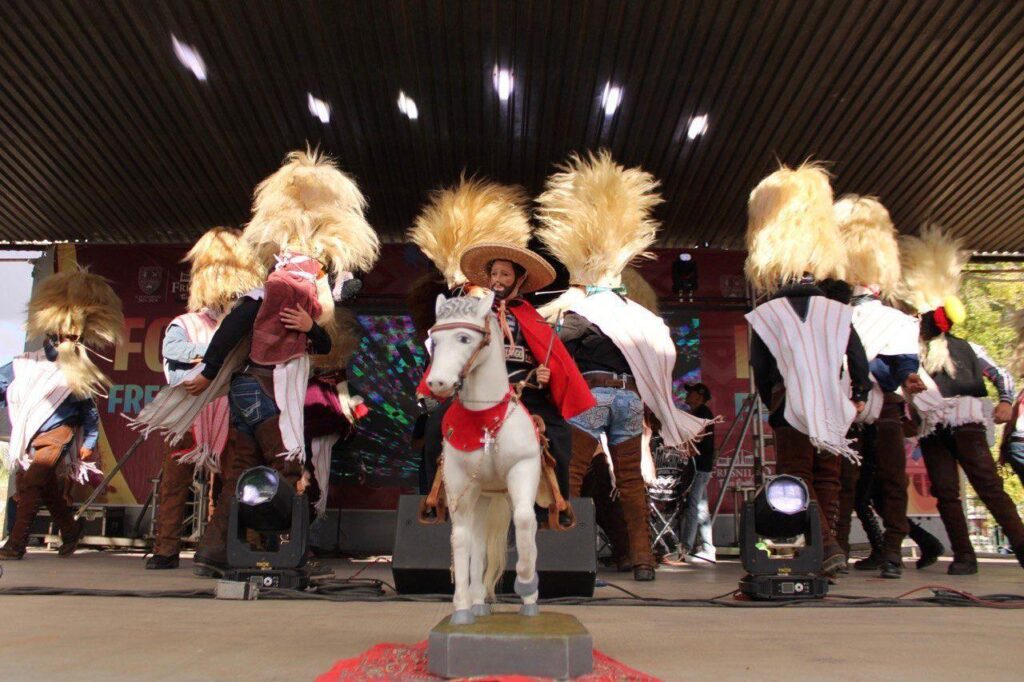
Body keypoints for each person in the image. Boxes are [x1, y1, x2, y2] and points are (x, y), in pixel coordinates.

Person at [130, 150, 379, 578]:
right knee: (288, 466)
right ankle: (293, 553)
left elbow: (316, 343)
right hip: (264, 392)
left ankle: (213, 552)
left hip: (250, 391)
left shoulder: (294, 299)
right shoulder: (273, 288)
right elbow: (232, 331)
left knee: (240, 474)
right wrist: (208, 371)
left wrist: (307, 325)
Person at [536, 150, 713, 581]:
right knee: (632, 481)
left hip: (592, 396)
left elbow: (553, 355)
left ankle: (564, 554)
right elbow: (664, 357)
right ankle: (643, 560)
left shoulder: (580, 314)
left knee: (572, 473)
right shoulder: (639, 315)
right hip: (630, 401)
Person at [744, 163, 871, 577]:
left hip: (789, 404)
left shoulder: (768, 311)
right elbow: (856, 357)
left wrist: (773, 401)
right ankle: (830, 544)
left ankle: (826, 546)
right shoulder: (837, 310)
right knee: (828, 477)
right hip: (834, 403)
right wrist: (859, 395)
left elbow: (760, 369)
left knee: (796, 477)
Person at [899, 226, 1024, 574]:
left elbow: (1003, 376)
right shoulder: (912, 352)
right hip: (934, 431)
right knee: (946, 492)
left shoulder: (969, 348)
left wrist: (1005, 402)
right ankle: (965, 556)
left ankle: (1019, 547)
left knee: (988, 487)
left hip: (967, 425)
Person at [146, 227, 264, 569]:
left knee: (234, 481)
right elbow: (173, 349)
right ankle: (165, 549)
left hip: (230, 411)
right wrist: (215, 350)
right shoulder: (185, 322)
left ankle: (230, 547)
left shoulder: (245, 323)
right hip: (188, 413)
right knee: (174, 482)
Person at [830, 196, 926, 579]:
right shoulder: (833, 315)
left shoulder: (893, 318)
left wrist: (908, 377)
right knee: (846, 482)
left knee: (889, 479)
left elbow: (903, 359)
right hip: (848, 405)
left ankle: (891, 550)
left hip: (883, 405)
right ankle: (836, 547)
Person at [0, 269, 124, 560]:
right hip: (30, 434)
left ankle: (15, 545)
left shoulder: (78, 369)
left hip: (59, 432)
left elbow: (89, 412)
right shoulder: (24, 364)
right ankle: (70, 530)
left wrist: (89, 444)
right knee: (44, 488)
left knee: (30, 484)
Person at [679, 383, 716, 563]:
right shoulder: (697, 413)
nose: (687, 395)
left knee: (693, 504)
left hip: (700, 466)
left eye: (691, 392)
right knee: (701, 506)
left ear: (699, 396)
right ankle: (708, 548)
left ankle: (686, 545)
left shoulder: (703, 413)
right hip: (699, 465)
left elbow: (698, 438)